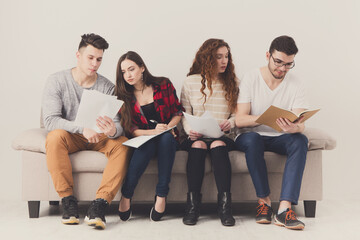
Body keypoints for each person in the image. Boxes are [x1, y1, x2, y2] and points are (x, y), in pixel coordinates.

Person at [42, 33, 131, 230]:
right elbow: (50, 120)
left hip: (99, 136)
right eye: (90, 58)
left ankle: (100, 204)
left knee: (123, 145)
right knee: (54, 137)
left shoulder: (107, 86)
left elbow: (118, 125)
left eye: (99, 59)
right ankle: (67, 201)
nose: (95, 63)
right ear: (78, 55)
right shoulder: (57, 81)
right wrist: (82, 128)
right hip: (72, 135)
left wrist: (112, 130)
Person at [235, 35, 308, 230]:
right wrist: (263, 119)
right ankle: (264, 203)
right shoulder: (251, 77)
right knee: (253, 139)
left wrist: (295, 127)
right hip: (250, 136)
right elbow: (239, 119)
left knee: (300, 140)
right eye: (278, 62)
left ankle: (284, 210)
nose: (282, 69)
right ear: (268, 55)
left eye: (288, 64)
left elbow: (301, 122)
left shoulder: (296, 83)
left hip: (280, 137)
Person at [115, 51, 184, 222]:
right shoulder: (123, 95)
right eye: (123, 72)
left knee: (166, 139)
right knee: (147, 144)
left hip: (167, 137)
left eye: (131, 69)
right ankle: (127, 194)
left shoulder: (163, 84)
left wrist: (168, 127)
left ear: (142, 68)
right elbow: (131, 128)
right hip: (144, 138)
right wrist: (152, 132)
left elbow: (177, 112)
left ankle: (161, 195)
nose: (128, 75)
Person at [180, 39, 239, 226]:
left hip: (222, 136)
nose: (224, 61)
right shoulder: (190, 82)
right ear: (207, 59)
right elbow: (184, 114)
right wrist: (190, 130)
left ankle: (225, 208)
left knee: (217, 144)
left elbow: (237, 115)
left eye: (226, 57)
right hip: (196, 135)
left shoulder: (233, 82)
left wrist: (229, 123)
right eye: (219, 57)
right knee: (198, 145)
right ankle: (192, 207)